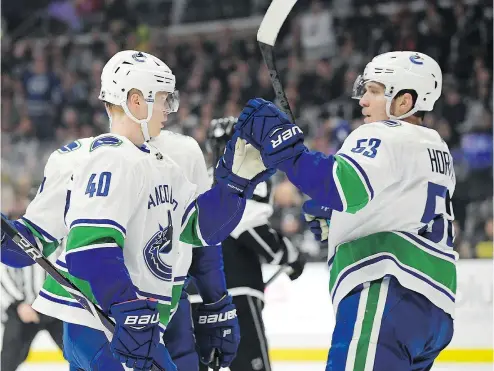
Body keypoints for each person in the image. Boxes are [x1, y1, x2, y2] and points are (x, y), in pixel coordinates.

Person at [1, 50, 274, 371]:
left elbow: (201, 231)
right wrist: (125, 306)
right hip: (100, 318)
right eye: (162, 99)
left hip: (157, 313)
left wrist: (235, 183)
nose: (169, 109)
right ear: (135, 101)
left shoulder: (170, 160)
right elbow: (47, 247)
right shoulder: (82, 159)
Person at [234, 51, 457, 371]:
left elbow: (337, 184)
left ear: (405, 102)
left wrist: (281, 143)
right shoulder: (435, 146)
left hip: (386, 290)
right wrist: (342, 218)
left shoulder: (383, 133)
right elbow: (401, 206)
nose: (363, 100)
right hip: (433, 311)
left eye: (375, 91)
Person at [187, 117, 306, 371]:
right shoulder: (249, 179)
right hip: (235, 294)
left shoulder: (194, 182)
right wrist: (289, 255)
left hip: (194, 297)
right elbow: (250, 229)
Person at [0, 263, 63, 371]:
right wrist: (18, 303)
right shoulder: (12, 246)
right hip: (21, 309)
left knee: (74, 350)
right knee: (10, 356)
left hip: (56, 308)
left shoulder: (60, 246)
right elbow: (2, 274)